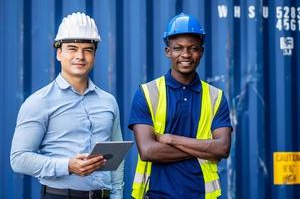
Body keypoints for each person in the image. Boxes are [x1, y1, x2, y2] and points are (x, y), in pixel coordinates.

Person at [10, 12, 124, 199]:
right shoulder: (39, 102)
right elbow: (19, 159)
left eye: (88, 49)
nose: (80, 56)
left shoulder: (108, 102)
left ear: (94, 55)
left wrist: (117, 196)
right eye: (72, 48)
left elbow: (116, 159)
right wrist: (67, 166)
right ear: (59, 53)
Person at [128, 13, 232, 199]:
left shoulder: (216, 97)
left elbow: (222, 149)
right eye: (178, 48)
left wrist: (171, 139)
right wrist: (204, 149)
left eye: (193, 48)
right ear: (168, 51)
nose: (185, 55)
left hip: (202, 195)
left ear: (201, 51)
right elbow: (148, 150)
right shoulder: (146, 93)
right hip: (156, 195)